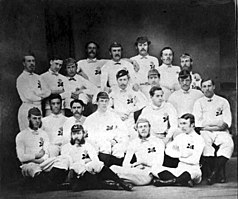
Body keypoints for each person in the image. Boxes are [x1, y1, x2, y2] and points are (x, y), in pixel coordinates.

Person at [61, 124, 133, 191]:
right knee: (78, 182)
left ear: (83, 134)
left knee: (96, 165)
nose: (76, 136)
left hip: (87, 170)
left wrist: (87, 164)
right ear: (71, 135)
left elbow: (96, 161)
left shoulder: (88, 145)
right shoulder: (66, 147)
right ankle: (108, 185)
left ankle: (121, 182)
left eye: (79, 133)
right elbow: (68, 165)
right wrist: (84, 162)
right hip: (75, 174)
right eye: (74, 134)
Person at [15, 107, 68, 192]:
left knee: (64, 159)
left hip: (42, 162)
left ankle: (43, 184)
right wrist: (36, 156)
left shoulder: (43, 134)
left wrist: (41, 159)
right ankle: (53, 185)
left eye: (39, 118)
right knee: (34, 169)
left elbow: (46, 154)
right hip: (29, 165)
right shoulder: (21, 135)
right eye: (34, 118)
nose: (37, 121)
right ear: (29, 118)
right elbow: (21, 157)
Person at [193, 78, 234, 185]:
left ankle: (214, 174)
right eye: (204, 86)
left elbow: (225, 123)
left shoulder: (223, 101)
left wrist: (208, 125)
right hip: (205, 132)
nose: (207, 89)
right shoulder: (198, 102)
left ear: (214, 87)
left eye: (209, 86)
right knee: (205, 144)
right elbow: (198, 123)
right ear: (201, 89)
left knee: (228, 143)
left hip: (221, 132)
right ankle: (217, 174)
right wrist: (215, 125)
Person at [152, 113, 205, 188]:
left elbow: (194, 159)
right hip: (180, 167)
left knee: (188, 174)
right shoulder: (180, 137)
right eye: (180, 124)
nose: (182, 126)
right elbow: (168, 150)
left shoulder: (199, 139)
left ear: (192, 125)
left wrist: (177, 153)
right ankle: (180, 182)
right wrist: (181, 154)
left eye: (185, 123)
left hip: (193, 168)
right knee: (155, 169)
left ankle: (168, 182)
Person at [111, 118, 165, 186]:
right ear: (137, 129)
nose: (143, 129)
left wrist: (143, 162)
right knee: (113, 168)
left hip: (149, 173)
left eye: (145, 126)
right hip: (136, 171)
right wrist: (133, 166)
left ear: (149, 128)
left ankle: (118, 181)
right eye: (140, 127)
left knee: (114, 172)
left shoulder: (158, 142)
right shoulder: (134, 142)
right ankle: (121, 182)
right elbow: (125, 164)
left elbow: (159, 163)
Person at [83, 92, 129, 167]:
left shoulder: (114, 116)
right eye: (101, 101)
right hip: (98, 144)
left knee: (119, 149)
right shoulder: (90, 119)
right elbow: (89, 136)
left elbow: (123, 131)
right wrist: (106, 141)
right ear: (97, 102)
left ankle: (115, 172)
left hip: (113, 142)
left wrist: (116, 140)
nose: (104, 103)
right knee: (105, 146)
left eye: (106, 101)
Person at [16, 53, 51, 131]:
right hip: (27, 107)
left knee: (38, 133)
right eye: (29, 61)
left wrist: (37, 95)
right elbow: (29, 96)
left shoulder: (38, 77)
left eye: (33, 61)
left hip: (39, 107)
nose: (31, 63)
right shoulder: (21, 79)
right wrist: (41, 95)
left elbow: (48, 91)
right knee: (28, 134)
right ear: (24, 63)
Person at [109, 69, 147, 139]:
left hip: (130, 123)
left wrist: (131, 110)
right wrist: (118, 114)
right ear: (117, 80)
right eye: (120, 80)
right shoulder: (113, 93)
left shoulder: (133, 91)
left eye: (124, 79)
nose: (122, 82)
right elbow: (108, 107)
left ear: (128, 80)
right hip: (118, 122)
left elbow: (144, 102)